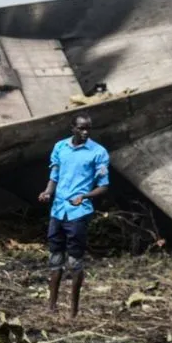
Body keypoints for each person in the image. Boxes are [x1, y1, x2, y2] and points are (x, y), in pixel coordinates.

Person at [37, 113, 109, 318]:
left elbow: (104, 186)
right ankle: (51, 306)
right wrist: (47, 192)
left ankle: (73, 311)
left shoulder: (98, 153)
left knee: (75, 261)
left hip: (79, 212)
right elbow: (54, 176)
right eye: (81, 128)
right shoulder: (60, 147)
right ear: (73, 128)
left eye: (88, 129)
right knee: (55, 257)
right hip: (58, 210)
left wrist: (84, 196)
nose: (85, 132)